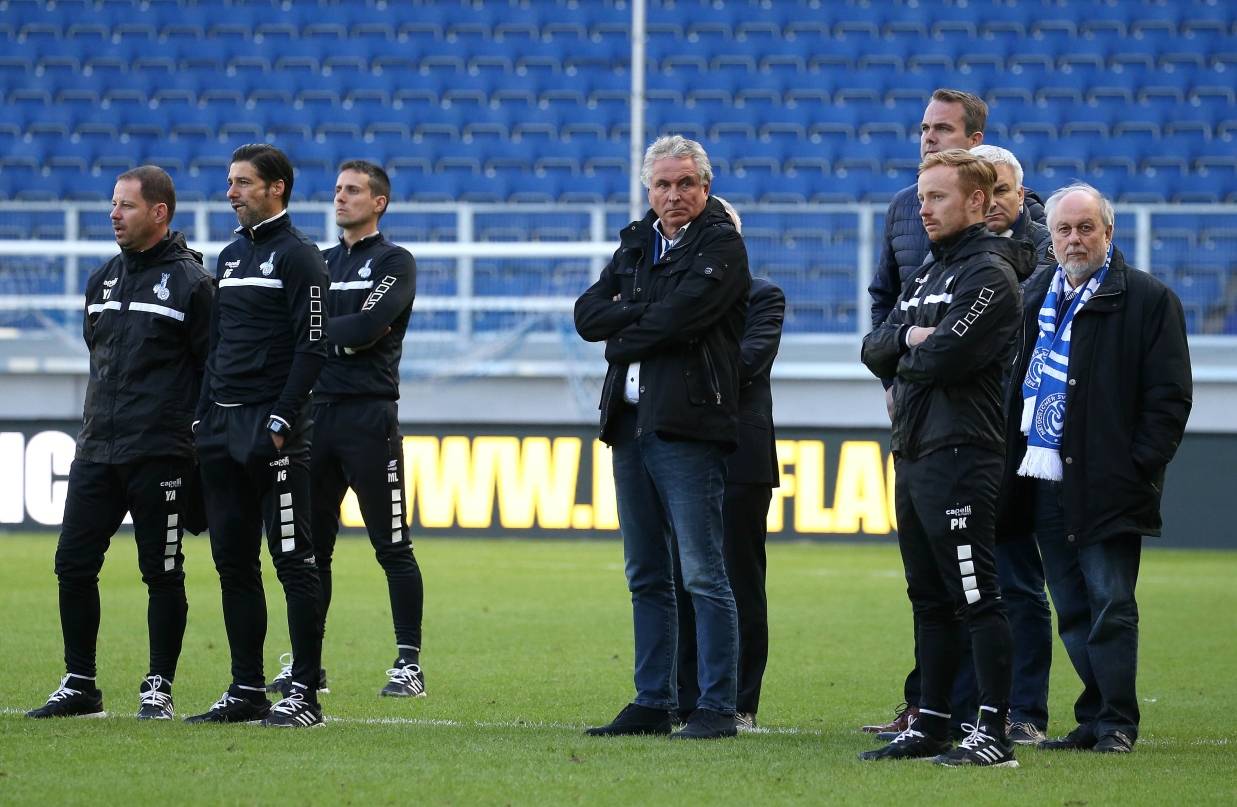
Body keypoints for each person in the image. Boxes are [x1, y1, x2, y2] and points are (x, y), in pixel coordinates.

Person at [1000, 183, 1192, 754]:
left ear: (1108, 233)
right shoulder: (1036, 298)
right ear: (1052, 238)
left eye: (1086, 228)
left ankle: (1117, 723)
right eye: (1064, 229)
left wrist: (1137, 467)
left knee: (1111, 603)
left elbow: (1169, 398)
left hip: (1109, 482)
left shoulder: (1149, 299)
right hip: (1044, 476)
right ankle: (1094, 716)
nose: (1074, 239)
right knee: (1072, 607)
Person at [860, 149, 1033, 767]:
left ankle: (993, 732)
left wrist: (904, 351)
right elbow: (872, 347)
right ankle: (931, 721)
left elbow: (943, 359)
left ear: (978, 202)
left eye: (937, 197)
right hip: (914, 450)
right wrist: (910, 337)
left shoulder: (989, 275)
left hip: (962, 453)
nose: (924, 210)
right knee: (928, 596)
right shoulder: (929, 273)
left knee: (976, 594)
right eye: (921, 198)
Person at [574, 135, 751, 740]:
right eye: (662, 185)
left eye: (685, 184)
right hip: (629, 425)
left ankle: (717, 706)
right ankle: (654, 700)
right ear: (648, 189)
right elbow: (586, 315)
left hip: (688, 425)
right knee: (645, 572)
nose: (673, 195)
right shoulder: (635, 242)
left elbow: (681, 318)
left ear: (706, 187)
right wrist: (642, 317)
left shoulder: (722, 244)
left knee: (702, 572)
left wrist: (625, 325)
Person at [26, 166, 213, 721]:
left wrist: (193, 438)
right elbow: (99, 353)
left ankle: (159, 685)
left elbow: (210, 370)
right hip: (96, 450)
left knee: (162, 571)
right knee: (72, 564)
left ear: (159, 212)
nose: (114, 214)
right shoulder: (102, 279)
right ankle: (80, 683)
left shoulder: (193, 284)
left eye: (126, 205)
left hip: (161, 453)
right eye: (113, 204)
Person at [265, 160, 425, 699]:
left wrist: (314, 335)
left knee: (392, 545)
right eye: (337, 189)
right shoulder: (320, 261)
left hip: (369, 419)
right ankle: (307, 666)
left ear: (378, 202)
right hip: (316, 418)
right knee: (312, 553)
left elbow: (366, 327)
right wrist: (335, 336)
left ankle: (408, 663)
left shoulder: (395, 261)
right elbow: (332, 332)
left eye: (353, 190)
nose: (340, 197)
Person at [185, 144, 331, 728]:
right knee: (233, 564)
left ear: (277, 188)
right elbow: (216, 347)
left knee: (294, 563)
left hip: (272, 433)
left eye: (243, 182)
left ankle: (304, 695)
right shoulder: (228, 257)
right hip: (220, 429)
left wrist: (281, 420)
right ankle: (246, 690)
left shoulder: (300, 257)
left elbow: (313, 346)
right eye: (230, 182)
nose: (231, 193)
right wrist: (201, 417)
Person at [861, 88, 988, 740]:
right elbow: (882, 314)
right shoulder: (903, 212)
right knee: (928, 585)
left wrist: (909, 349)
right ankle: (928, 707)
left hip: (973, 423)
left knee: (984, 581)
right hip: (914, 420)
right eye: (923, 127)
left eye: (941, 128)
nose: (928, 137)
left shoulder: (1002, 223)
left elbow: (958, 341)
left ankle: (1001, 713)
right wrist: (895, 367)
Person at [672, 199, 785, 732]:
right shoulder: (670, 293)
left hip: (740, 453)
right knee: (681, 579)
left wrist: (676, 358)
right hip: (680, 450)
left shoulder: (763, 295)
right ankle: (684, 694)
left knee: (739, 578)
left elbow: (747, 361)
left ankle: (740, 700)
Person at [969, 143, 1054, 745]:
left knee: (1020, 579)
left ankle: (1025, 710)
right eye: (984, 190)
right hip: (971, 433)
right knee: (966, 579)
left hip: (1028, 439)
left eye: (1002, 190)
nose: (993, 201)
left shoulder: (1050, 254)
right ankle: (961, 707)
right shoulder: (955, 253)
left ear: (1021, 194)